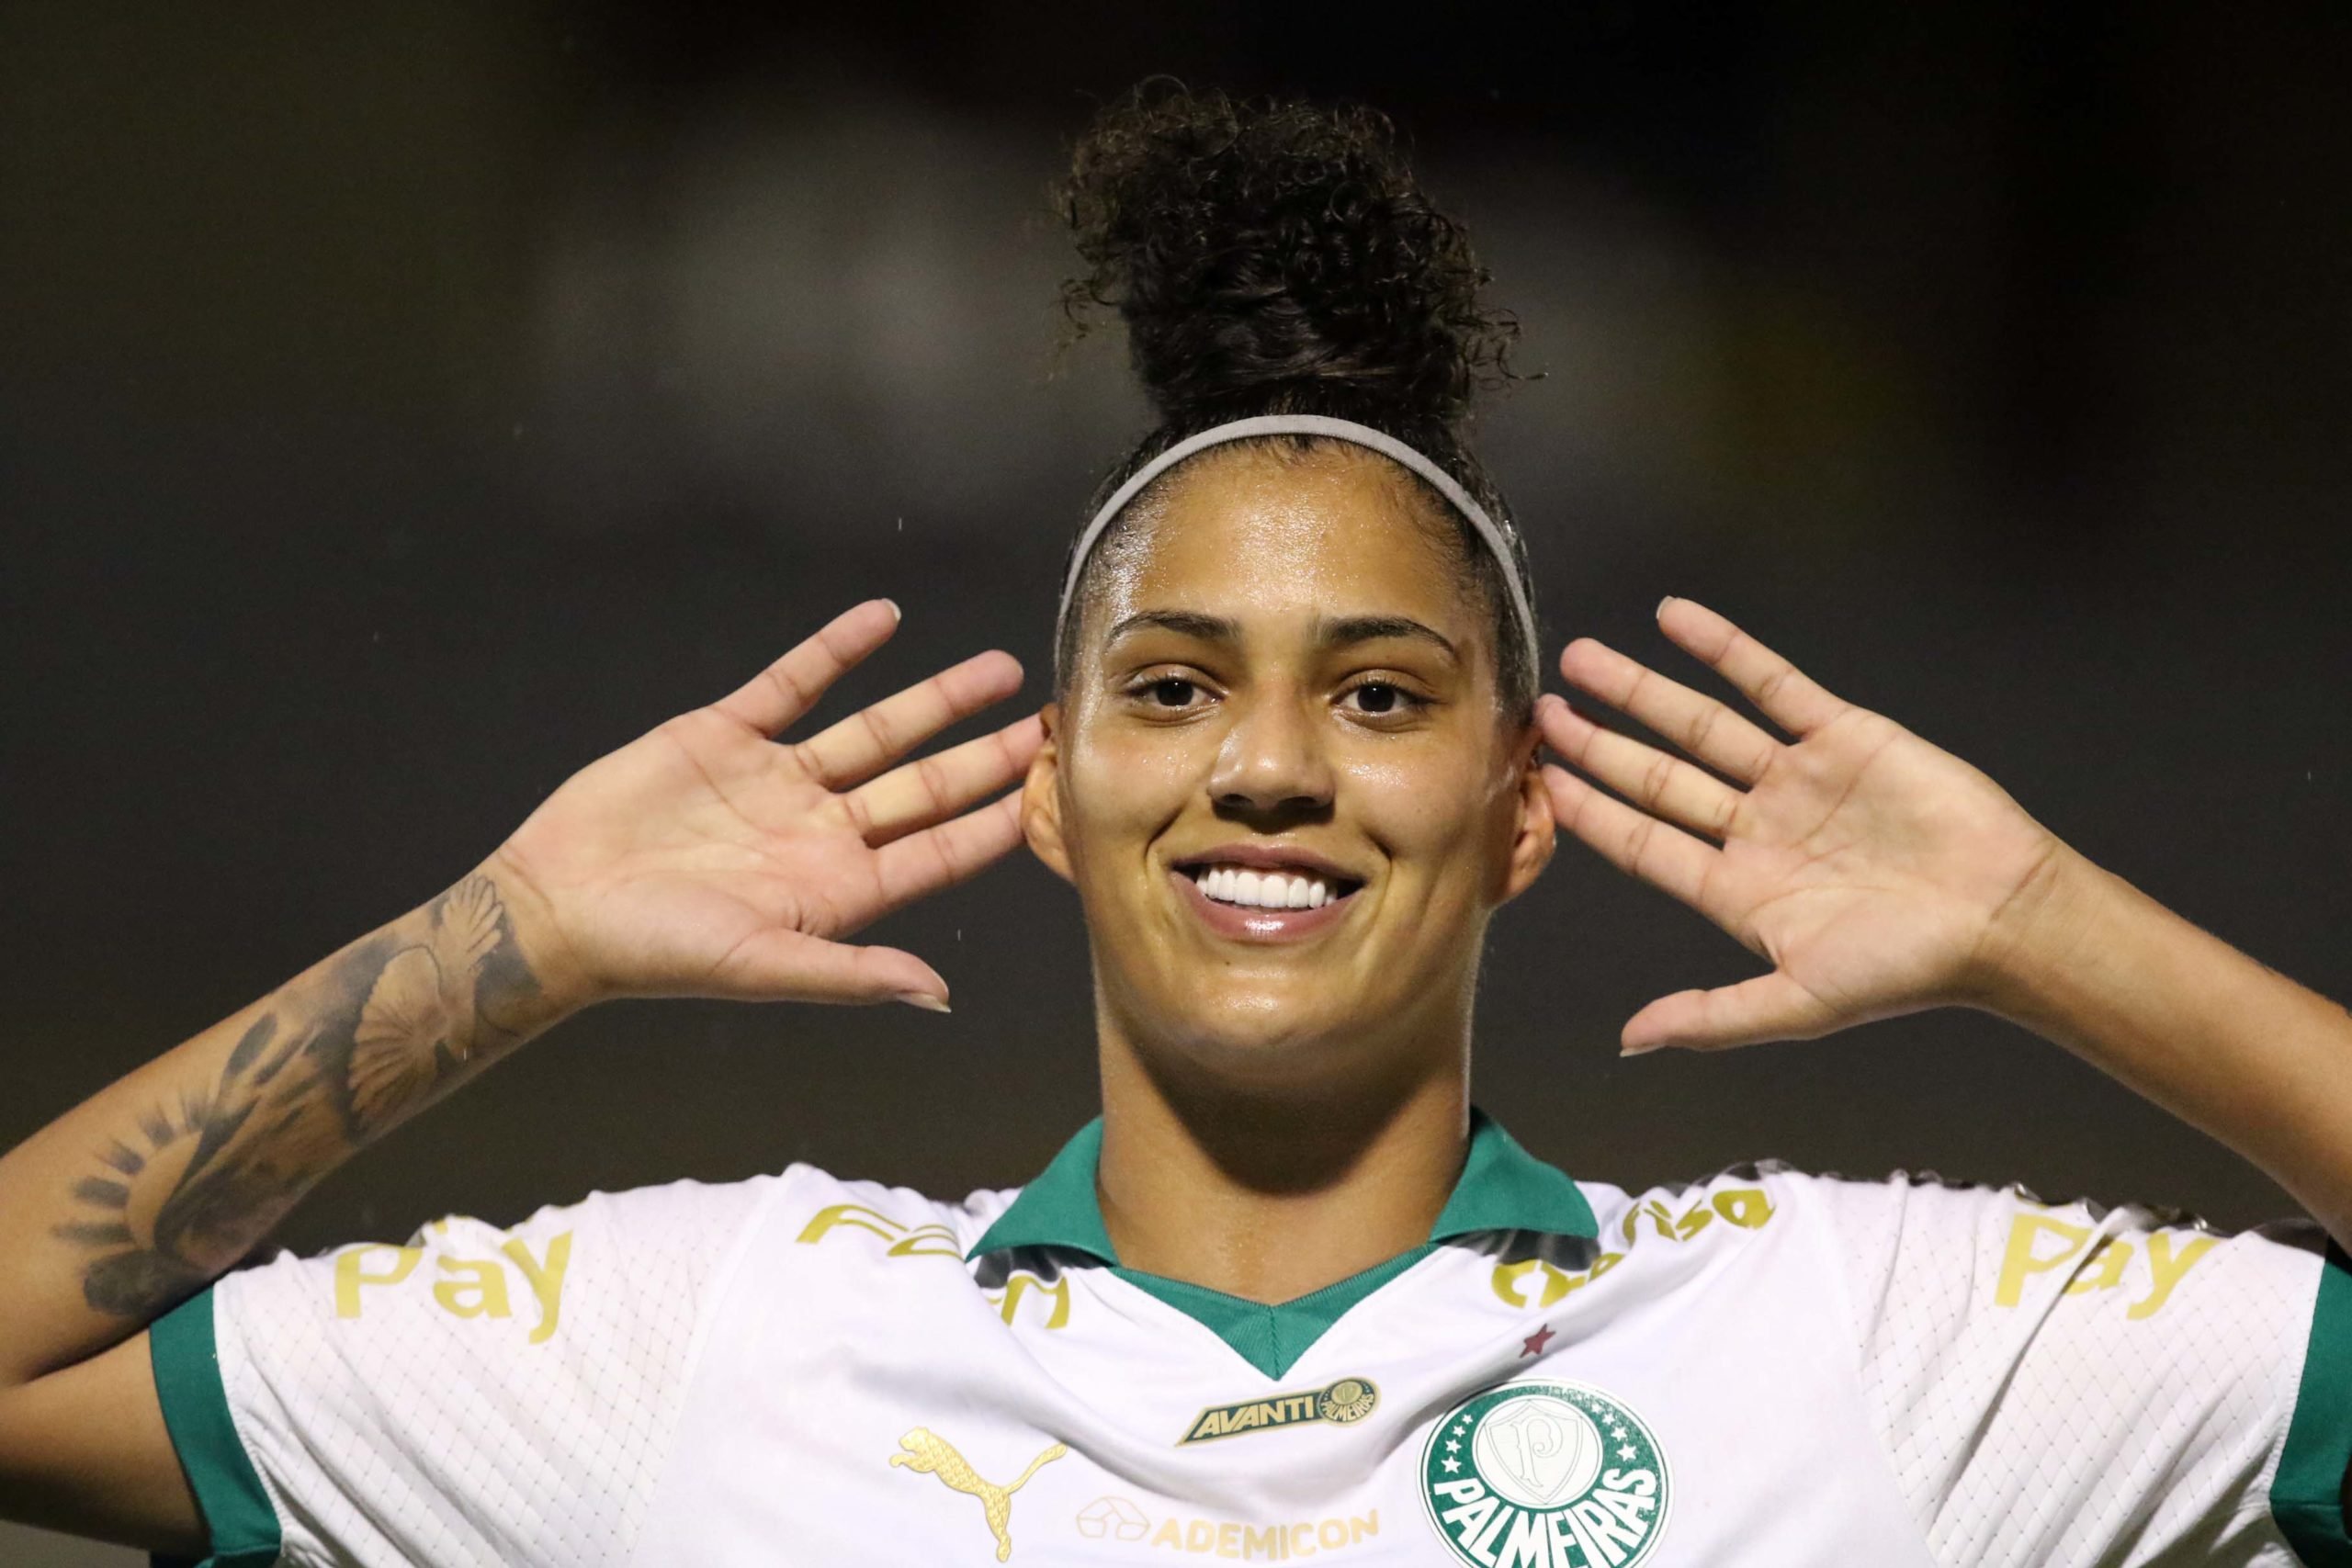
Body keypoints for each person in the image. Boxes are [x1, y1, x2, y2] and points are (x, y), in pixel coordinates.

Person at [0, 82, 2345, 1568]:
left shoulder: (1858, 1333)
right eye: (1173, 682)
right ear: (1052, 783)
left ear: (1520, 808)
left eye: (1380, 691)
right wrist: (504, 938)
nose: (1268, 764)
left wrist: (2047, 925)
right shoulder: (705, 1329)